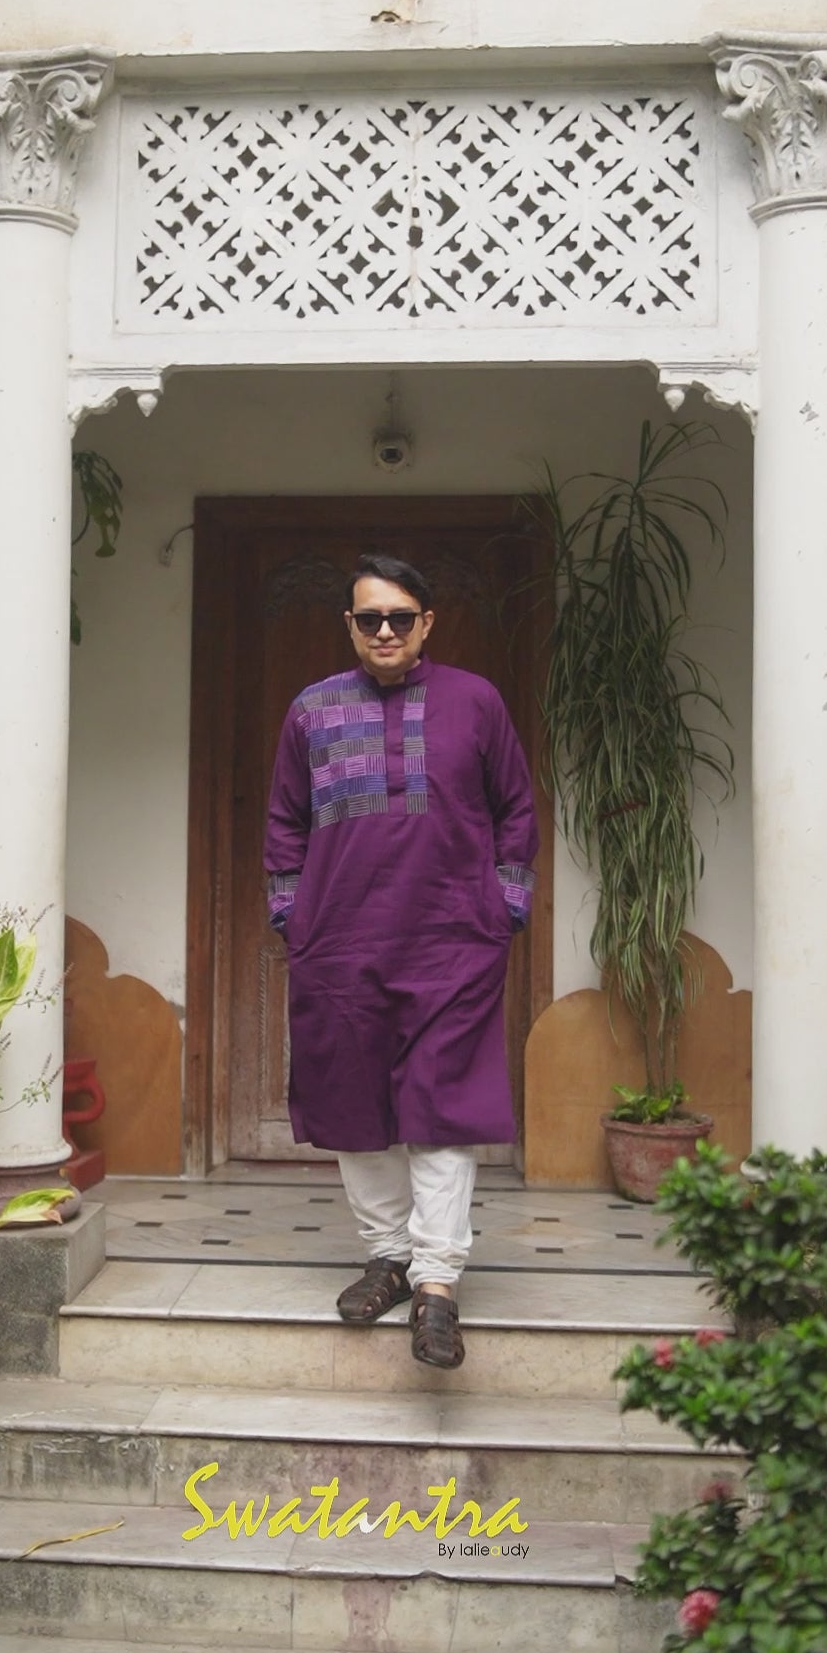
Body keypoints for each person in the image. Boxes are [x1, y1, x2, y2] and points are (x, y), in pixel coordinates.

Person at [264, 553, 537, 1370]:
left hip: (452, 938)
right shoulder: (311, 710)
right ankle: (387, 1257)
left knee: (441, 1107)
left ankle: (437, 1283)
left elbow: (516, 807)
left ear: (427, 623)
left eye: (400, 617)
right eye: (369, 618)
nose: (385, 631)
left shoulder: (475, 701)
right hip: (339, 942)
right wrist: (292, 916)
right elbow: (284, 821)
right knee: (353, 1103)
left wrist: (505, 905)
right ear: (350, 625)